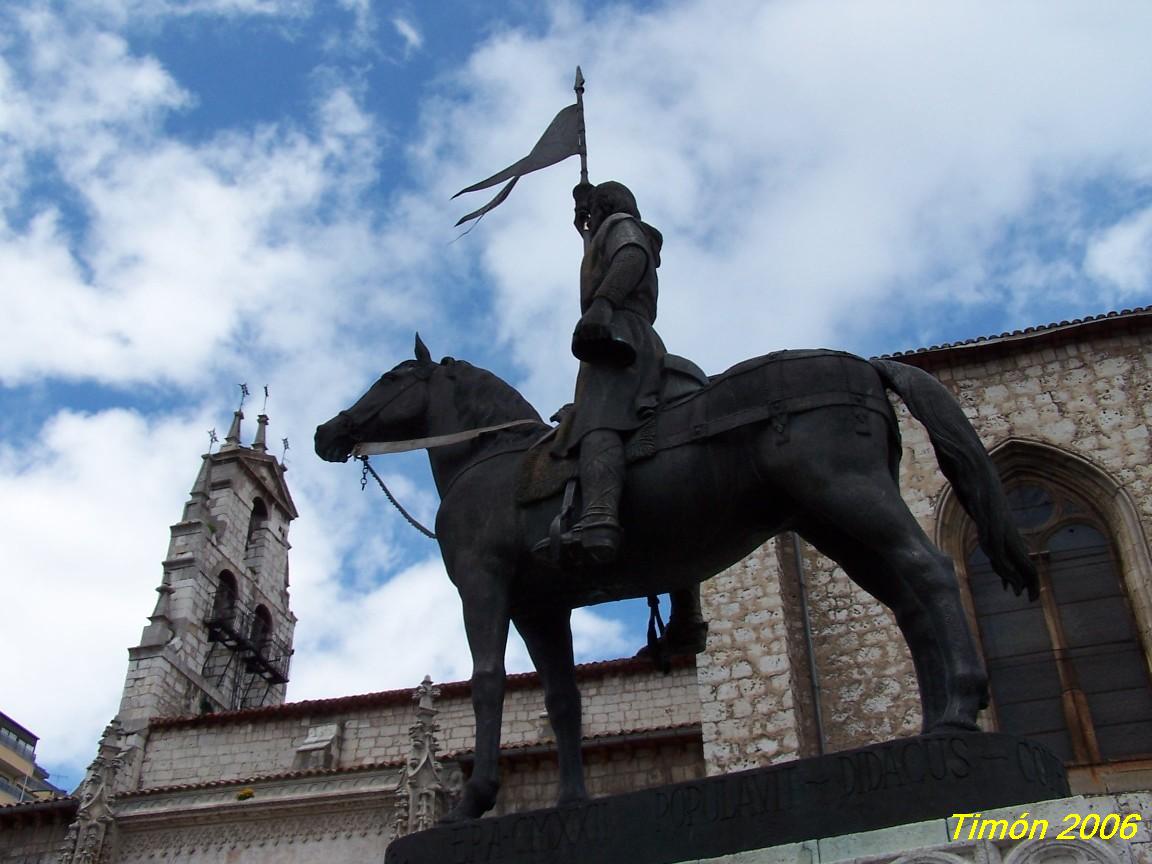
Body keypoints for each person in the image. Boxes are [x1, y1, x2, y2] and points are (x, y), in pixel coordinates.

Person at [551, 180, 666, 564]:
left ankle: (599, 515)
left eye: (595, 210)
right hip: (620, 328)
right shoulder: (607, 227)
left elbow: (629, 255)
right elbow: (601, 255)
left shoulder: (622, 224)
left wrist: (602, 304)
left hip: (621, 331)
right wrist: (585, 228)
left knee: (598, 421)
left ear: (606, 207)